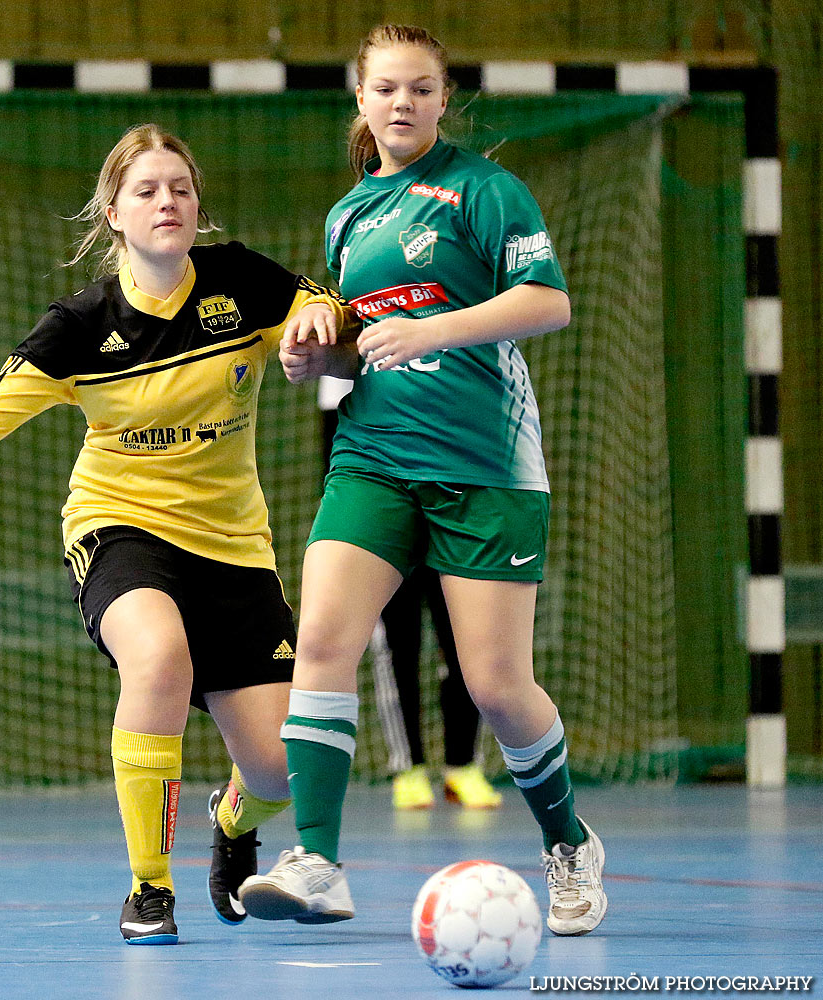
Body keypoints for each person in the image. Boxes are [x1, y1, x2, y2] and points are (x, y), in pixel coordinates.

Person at [0, 123, 354, 946]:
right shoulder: (82, 327)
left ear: (197, 208)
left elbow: (322, 307)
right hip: (121, 529)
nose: (167, 202)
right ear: (113, 213)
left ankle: (231, 823)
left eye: (180, 189)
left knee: (276, 769)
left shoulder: (239, 283)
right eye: (147, 191)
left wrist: (313, 329)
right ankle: (149, 888)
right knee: (158, 658)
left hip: (232, 547)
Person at [238, 25, 607, 936]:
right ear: (360, 102)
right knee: (320, 641)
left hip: (483, 464)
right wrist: (313, 359)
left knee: (495, 683)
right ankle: (317, 860)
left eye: (420, 89)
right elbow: (361, 348)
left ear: (444, 100)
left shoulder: (484, 191)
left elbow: (548, 303)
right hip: (372, 459)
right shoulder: (347, 216)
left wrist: (436, 330)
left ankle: (565, 842)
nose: (401, 103)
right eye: (385, 89)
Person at [319, 378, 500, 812]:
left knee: (464, 639)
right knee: (398, 643)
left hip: (448, 508)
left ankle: (463, 765)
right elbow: (337, 458)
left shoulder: (445, 365)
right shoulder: (346, 378)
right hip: (385, 520)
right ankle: (409, 767)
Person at [374, 566, 503, 811]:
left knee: (464, 648)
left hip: (451, 540)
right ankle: (408, 769)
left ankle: (463, 766)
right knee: (398, 652)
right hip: (393, 542)